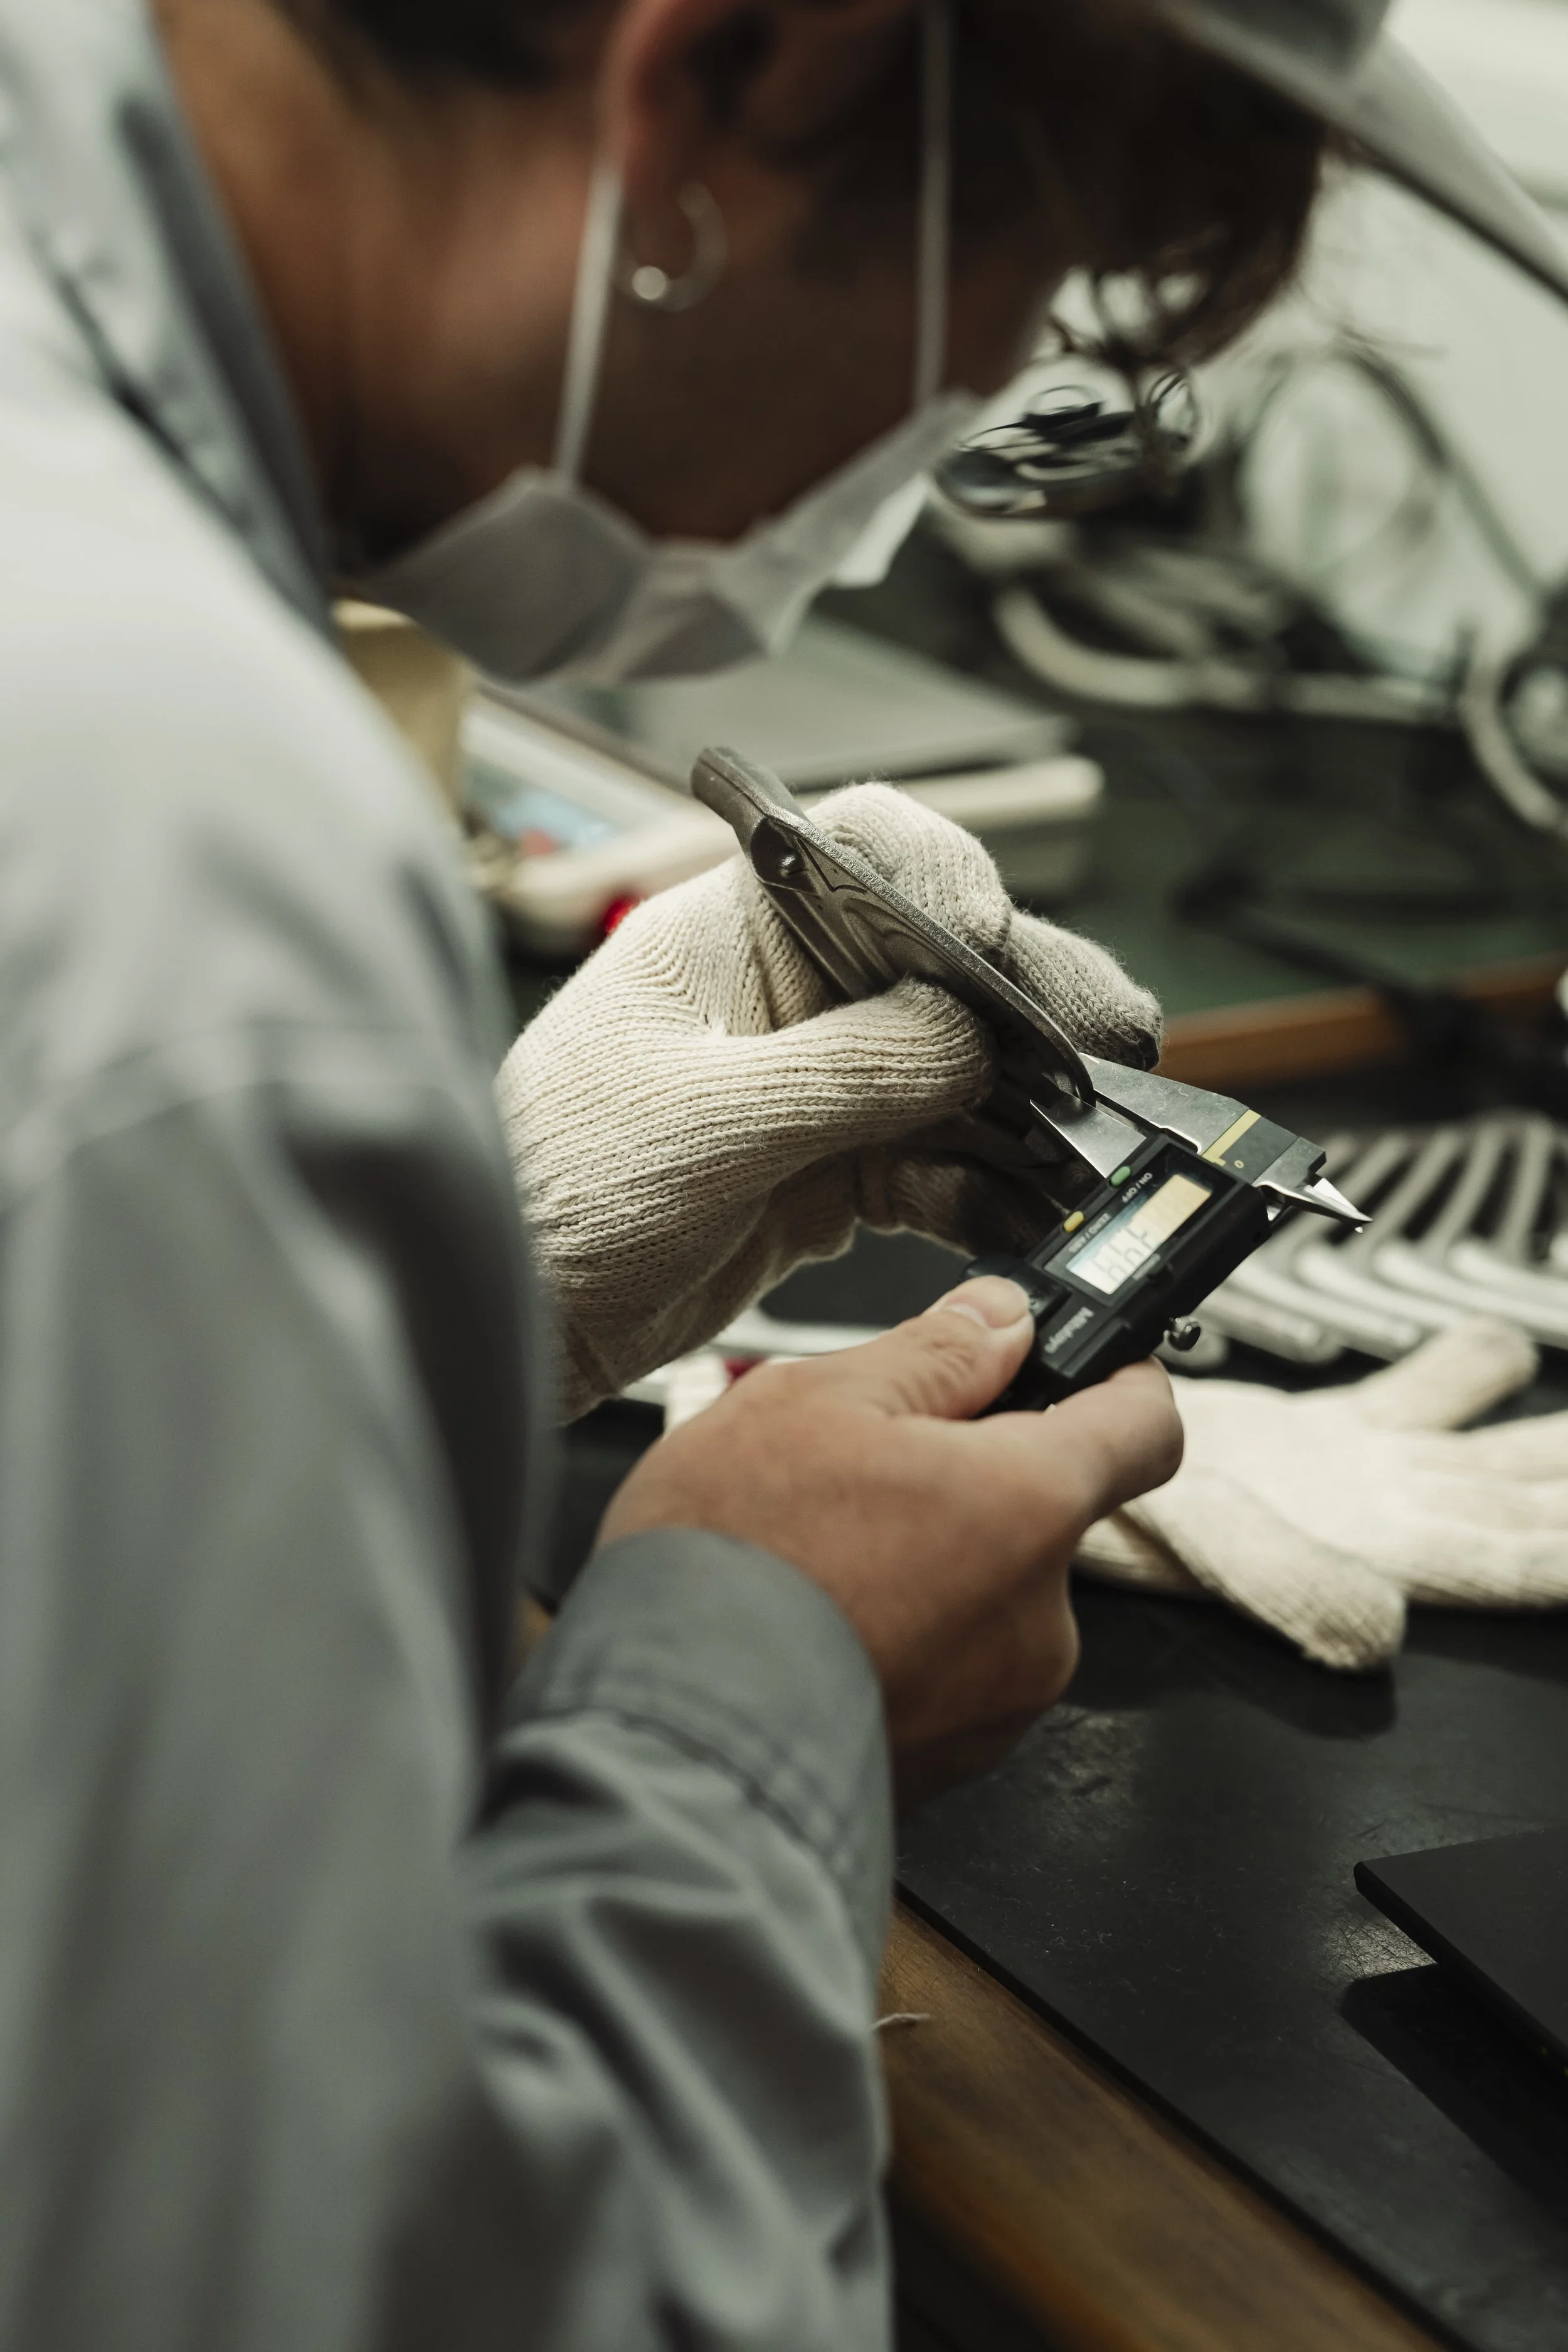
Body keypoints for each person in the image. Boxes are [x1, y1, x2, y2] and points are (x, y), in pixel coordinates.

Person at [0, 1, 1560, 2344]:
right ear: (749, 73)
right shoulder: (175, 864)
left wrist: (377, 1311)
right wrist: (747, 1701)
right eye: (1013, 314)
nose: (929, 466)